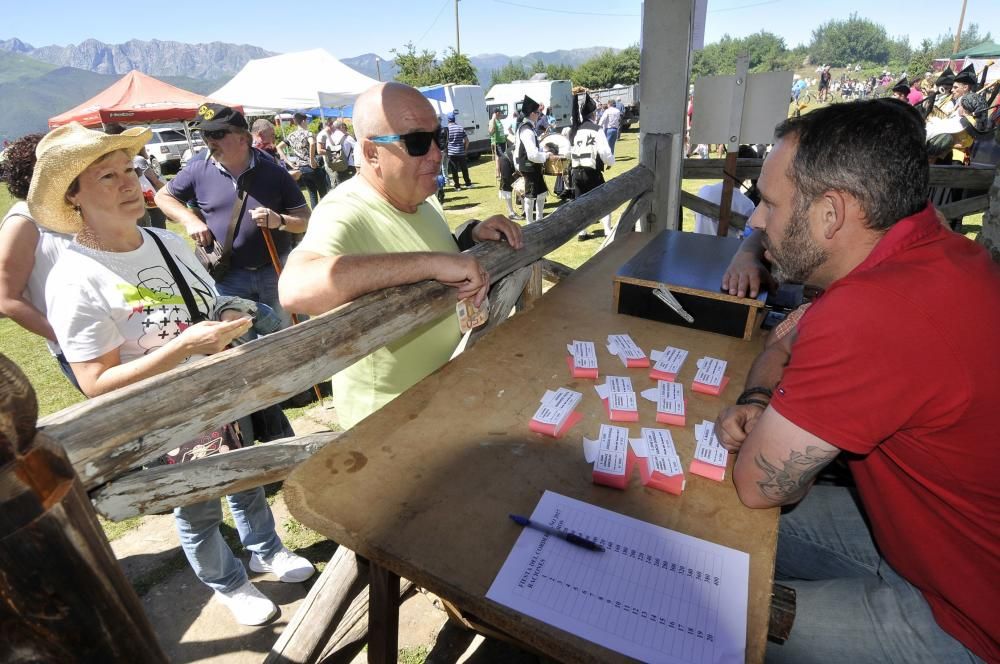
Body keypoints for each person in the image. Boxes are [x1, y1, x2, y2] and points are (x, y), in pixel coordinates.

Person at [713, 99, 999, 663]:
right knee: (705, 512)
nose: (754, 221)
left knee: (710, 615)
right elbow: (783, 345)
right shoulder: (934, 251)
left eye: (769, 203)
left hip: (971, 618)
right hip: (926, 543)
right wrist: (761, 394)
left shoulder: (870, 312)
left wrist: (775, 401)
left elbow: (759, 484)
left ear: (830, 214)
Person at [29, 122, 314, 627]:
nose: (128, 184)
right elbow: (95, 381)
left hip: (223, 390)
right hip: (162, 416)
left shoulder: (168, 242)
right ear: (74, 196)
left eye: (129, 170)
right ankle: (226, 582)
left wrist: (226, 315)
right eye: (106, 177)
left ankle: (264, 549)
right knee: (196, 503)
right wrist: (182, 346)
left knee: (246, 476)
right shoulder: (74, 278)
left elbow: (211, 299)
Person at [278, 82, 524, 430]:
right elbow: (295, 289)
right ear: (372, 152)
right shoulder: (344, 208)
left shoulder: (421, 200)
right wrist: (430, 263)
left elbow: (423, 247)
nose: (436, 153)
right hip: (389, 423)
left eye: (437, 137)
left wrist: (470, 234)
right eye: (417, 143)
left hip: (443, 402)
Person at [156, 103, 310, 442]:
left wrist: (280, 221)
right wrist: (191, 219)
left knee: (280, 335)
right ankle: (263, 410)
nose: (208, 141)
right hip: (228, 275)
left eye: (216, 134)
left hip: (273, 270)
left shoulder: (273, 171)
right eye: (205, 134)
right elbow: (163, 196)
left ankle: (290, 391)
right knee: (239, 345)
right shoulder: (198, 168)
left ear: (242, 137)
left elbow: (305, 218)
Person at [0, 133, 77, 389]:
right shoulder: (23, 221)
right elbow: (7, 299)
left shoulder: (73, 209)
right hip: (78, 347)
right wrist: (64, 337)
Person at [568, 94, 615, 237]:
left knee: (580, 203)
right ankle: (607, 229)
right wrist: (610, 162)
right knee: (604, 200)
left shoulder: (575, 130)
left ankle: (582, 231)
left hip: (576, 171)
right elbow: (605, 152)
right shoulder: (597, 129)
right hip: (591, 171)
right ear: (593, 114)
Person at [513, 95, 560, 224]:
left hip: (532, 165)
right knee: (531, 195)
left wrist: (544, 151)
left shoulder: (529, 127)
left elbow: (534, 149)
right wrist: (546, 156)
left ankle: (539, 219)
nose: (539, 114)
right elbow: (532, 154)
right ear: (532, 113)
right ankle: (530, 222)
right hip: (529, 165)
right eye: (538, 112)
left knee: (542, 193)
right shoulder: (526, 130)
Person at [692, 146, 757, 237]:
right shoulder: (747, 205)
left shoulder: (704, 190)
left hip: (698, 247)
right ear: (749, 172)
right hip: (726, 250)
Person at [279, 112, 328, 208]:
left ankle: (315, 216)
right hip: (312, 167)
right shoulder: (308, 133)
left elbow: (279, 147)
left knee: (312, 194)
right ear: (303, 121)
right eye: (307, 121)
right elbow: (312, 143)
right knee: (323, 193)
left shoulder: (291, 136)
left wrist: (289, 163)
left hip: (301, 169)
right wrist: (312, 160)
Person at [320, 120, 356, 188]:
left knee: (342, 189)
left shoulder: (329, 139)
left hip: (337, 167)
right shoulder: (347, 137)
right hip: (349, 166)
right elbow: (357, 149)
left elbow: (329, 152)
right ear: (342, 126)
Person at [446, 111, 472, 190]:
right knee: (464, 169)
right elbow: (467, 141)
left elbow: (445, 142)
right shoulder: (460, 128)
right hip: (461, 152)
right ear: (454, 119)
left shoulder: (446, 129)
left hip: (451, 153)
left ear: (448, 120)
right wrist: (465, 150)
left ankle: (457, 186)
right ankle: (468, 184)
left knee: (454, 170)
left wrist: (447, 151)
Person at [488, 108, 506, 178]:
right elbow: (490, 131)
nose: (501, 114)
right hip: (497, 142)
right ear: (496, 113)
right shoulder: (492, 121)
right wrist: (493, 119)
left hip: (502, 142)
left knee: (499, 158)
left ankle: (500, 174)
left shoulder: (499, 120)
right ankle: (500, 174)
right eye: (500, 113)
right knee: (501, 158)